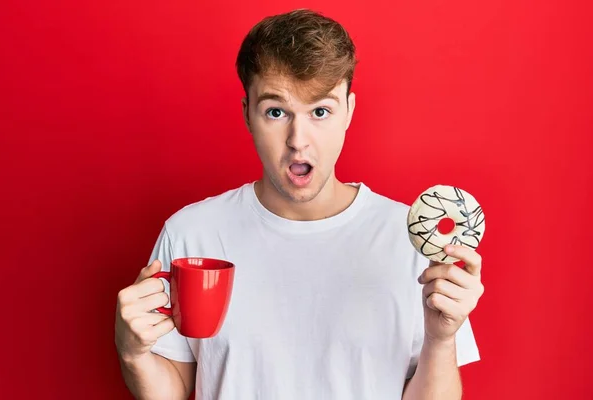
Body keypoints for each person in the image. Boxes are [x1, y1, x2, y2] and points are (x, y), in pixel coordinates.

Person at [114, 8, 484, 400]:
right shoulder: (192, 234)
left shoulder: (406, 239)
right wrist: (133, 353)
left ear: (349, 113)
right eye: (276, 112)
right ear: (247, 115)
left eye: (320, 112)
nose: (298, 140)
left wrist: (442, 341)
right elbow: (173, 392)